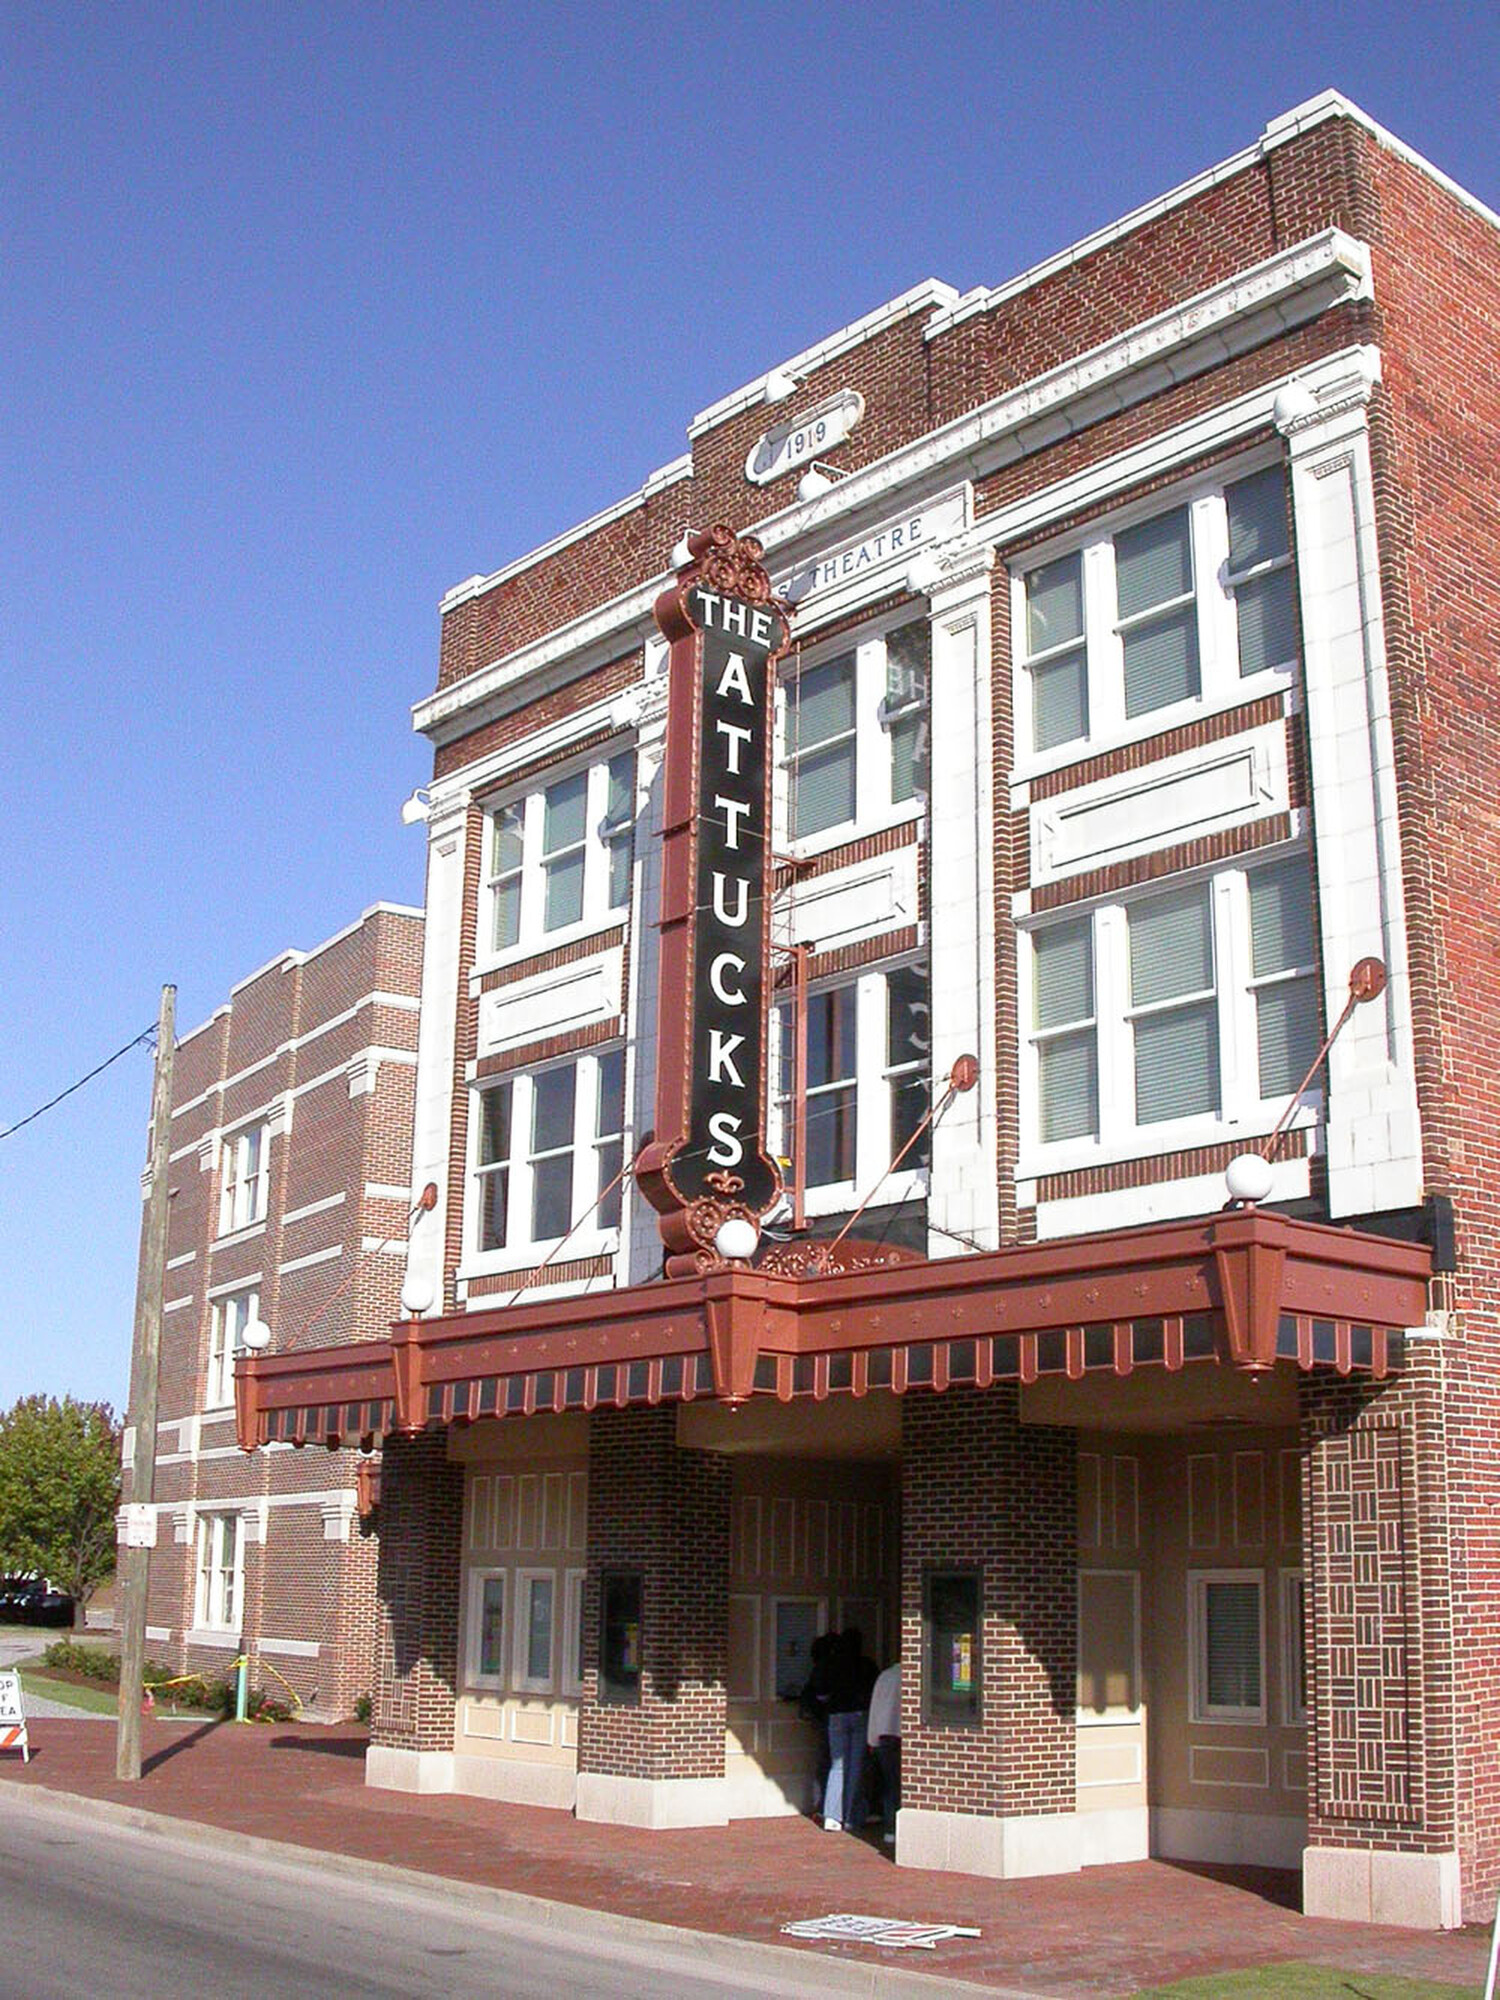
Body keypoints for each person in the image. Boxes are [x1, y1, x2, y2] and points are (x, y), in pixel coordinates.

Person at [822, 1628, 869, 1832]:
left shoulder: (831, 1664)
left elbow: (821, 1691)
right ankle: (851, 1817)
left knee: (838, 1765)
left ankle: (832, 1816)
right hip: (858, 1714)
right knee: (855, 1766)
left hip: (836, 1716)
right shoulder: (866, 1664)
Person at [866, 1658, 901, 1846]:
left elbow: (875, 1708)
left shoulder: (884, 1677)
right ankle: (896, 1827)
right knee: (899, 1787)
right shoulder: (911, 1677)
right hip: (901, 1736)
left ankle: (890, 1829)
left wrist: (872, 1738)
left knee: (889, 1785)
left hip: (883, 1736)